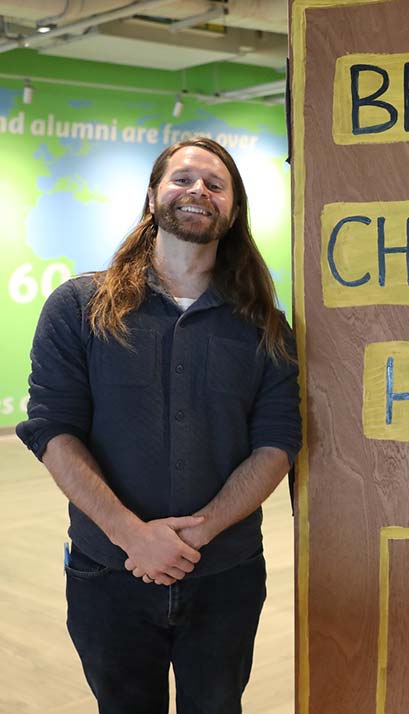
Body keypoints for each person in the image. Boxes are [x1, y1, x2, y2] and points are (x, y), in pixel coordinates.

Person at [17, 138, 301, 713]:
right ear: (152, 197)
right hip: (108, 572)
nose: (198, 190)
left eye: (215, 185)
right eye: (182, 180)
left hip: (223, 574)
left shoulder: (265, 326)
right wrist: (133, 536)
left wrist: (192, 538)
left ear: (233, 211)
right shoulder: (78, 308)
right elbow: (54, 431)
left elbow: (277, 443)